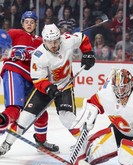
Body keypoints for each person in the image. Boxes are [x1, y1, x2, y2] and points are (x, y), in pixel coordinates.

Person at [1, 23, 95, 153]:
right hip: (44, 88)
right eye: (50, 42)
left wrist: (88, 52)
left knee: (67, 118)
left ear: (59, 38)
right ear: (44, 40)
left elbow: (82, 38)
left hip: (64, 86)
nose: (54, 45)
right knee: (25, 117)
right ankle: (6, 144)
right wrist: (49, 89)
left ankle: (86, 145)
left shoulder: (67, 40)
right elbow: (38, 80)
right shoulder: (39, 55)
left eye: (56, 41)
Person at [0, 11, 58, 156]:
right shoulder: (15, 33)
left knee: (40, 112)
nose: (29, 24)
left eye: (32, 21)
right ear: (22, 23)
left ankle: (41, 141)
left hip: (33, 79)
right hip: (15, 71)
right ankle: (4, 140)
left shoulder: (41, 41)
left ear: (36, 24)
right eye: (26, 21)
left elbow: (51, 55)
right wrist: (12, 53)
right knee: (14, 109)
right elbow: (4, 46)